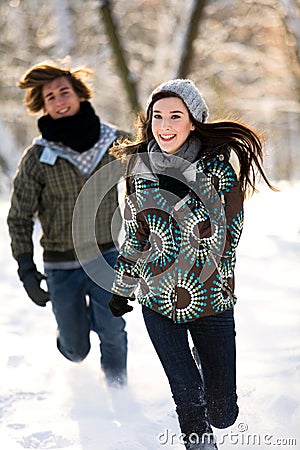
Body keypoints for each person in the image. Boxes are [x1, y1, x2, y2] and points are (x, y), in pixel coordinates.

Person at [108, 79, 276, 448]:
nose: (164, 126)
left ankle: (210, 375)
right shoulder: (138, 168)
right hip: (158, 301)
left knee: (222, 414)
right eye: (158, 117)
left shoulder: (218, 169)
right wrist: (122, 288)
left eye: (175, 116)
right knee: (188, 401)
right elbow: (136, 234)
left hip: (211, 300)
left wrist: (189, 190)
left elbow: (230, 233)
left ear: (193, 121)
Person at [7, 60, 128, 387]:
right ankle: (76, 325)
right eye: (51, 97)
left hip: (106, 256)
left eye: (65, 92)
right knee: (76, 351)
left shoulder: (115, 143)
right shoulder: (38, 157)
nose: (60, 101)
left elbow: (158, 161)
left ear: (79, 94)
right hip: (61, 264)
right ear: (42, 106)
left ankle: (120, 396)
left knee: (113, 332)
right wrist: (26, 268)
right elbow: (19, 217)